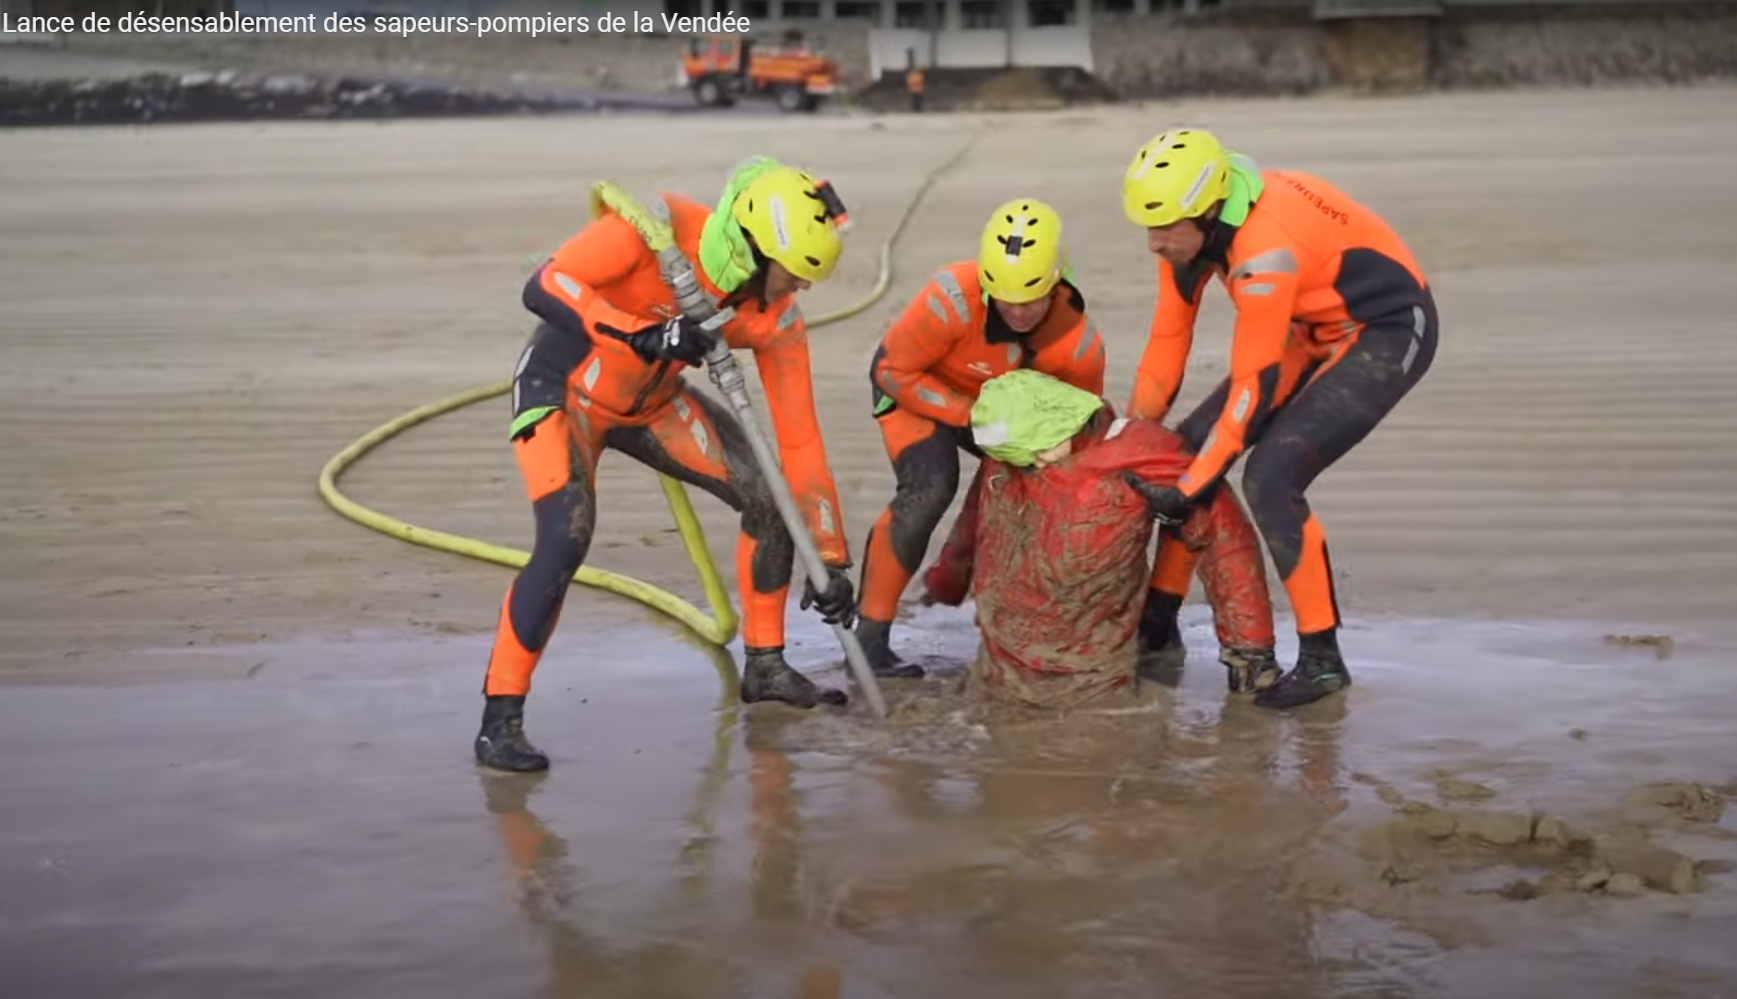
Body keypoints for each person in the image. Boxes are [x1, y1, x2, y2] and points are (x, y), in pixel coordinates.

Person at [475, 158, 862, 773]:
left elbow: (800, 441)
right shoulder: (651, 232)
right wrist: (641, 333)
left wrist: (831, 558)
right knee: (564, 536)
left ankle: (765, 665)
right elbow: (544, 285)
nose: (803, 289)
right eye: (795, 274)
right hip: (563, 392)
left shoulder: (773, 316)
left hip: (652, 405)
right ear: (755, 251)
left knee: (768, 497)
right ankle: (500, 721)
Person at [1119, 127, 1439, 710]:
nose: (1152, 244)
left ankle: (1322, 661)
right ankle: (1157, 626)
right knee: (1183, 453)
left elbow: (1252, 384)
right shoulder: (1190, 231)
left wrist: (1188, 487)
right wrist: (1138, 435)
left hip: (1386, 328)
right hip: (1306, 323)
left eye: (1164, 230)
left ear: (1210, 212)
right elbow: (1168, 340)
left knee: (1270, 478)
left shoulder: (1263, 251)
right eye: (1148, 227)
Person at [918, 369, 1278, 709]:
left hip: (1088, 675)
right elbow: (973, 521)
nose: (1037, 462)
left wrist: (1249, 648)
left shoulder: (1141, 454)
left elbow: (1225, 537)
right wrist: (948, 579)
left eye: (1040, 451)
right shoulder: (1008, 450)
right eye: (1024, 459)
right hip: (999, 664)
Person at [853, 199, 1108, 678]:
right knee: (930, 488)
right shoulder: (948, 297)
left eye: (1030, 299)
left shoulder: (1078, 346)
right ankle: (868, 639)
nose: (1016, 310)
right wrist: (968, 415)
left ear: (1057, 282)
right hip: (917, 390)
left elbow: (1077, 432)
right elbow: (891, 370)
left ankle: (994, 609)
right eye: (1004, 297)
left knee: (1038, 491)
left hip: (1005, 411)